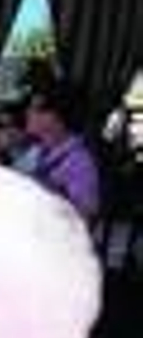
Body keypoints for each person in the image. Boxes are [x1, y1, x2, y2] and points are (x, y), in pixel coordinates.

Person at [23, 63, 101, 224]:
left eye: (37, 109)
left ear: (58, 117)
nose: (28, 113)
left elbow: (82, 220)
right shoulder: (36, 152)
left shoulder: (80, 164)